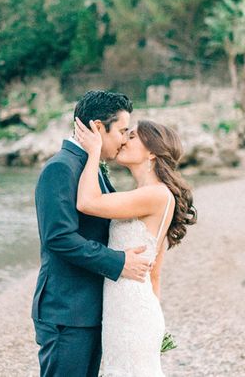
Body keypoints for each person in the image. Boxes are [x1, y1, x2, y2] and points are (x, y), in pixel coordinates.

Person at [32, 91, 152, 377]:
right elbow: (59, 238)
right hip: (67, 310)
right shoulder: (61, 167)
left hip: (88, 308)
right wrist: (119, 262)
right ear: (98, 127)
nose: (125, 139)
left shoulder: (89, 166)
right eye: (122, 131)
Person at [75, 117, 197, 377]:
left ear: (151, 152)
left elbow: (86, 202)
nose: (123, 141)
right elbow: (155, 273)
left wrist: (94, 151)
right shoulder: (146, 193)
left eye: (131, 136)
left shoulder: (155, 194)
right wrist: (154, 322)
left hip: (131, 312)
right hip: (127, 309)